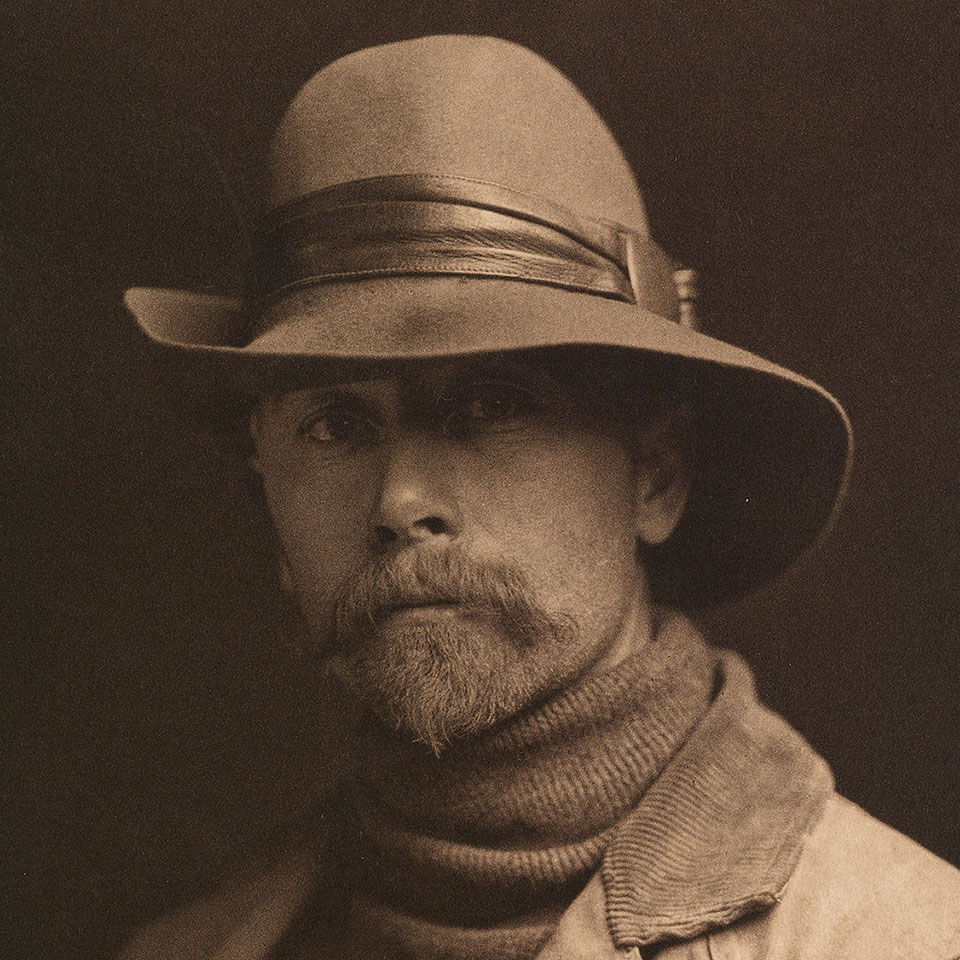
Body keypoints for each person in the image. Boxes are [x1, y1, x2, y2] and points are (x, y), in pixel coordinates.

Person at [119, 34, 960, 960]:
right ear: (264, 487)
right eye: (333, 425)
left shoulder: (903, 936)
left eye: (490, 406)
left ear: (656, 475)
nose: (400, 500)